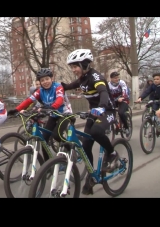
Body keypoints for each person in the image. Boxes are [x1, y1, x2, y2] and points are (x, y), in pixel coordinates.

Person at [61, 48, 119, 196]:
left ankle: (112, 153)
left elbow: (103, 93)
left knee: (96, 132)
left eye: (75, 66)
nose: (73, 69)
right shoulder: (82, 79)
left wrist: (101, 107)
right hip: (94, 113)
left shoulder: (96, 77)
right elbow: (72, 85)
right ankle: (91, 175)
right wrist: (63, 87)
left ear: (85, 64)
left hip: (107, 111)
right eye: (72, 67)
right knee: (85, 146)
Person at [8, 68, 72, 162]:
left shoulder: (58, 87)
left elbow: (59, 99)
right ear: (40, 82)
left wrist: (52, 107)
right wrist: (16, 109)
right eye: (42, 80)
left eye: (47, 79)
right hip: (53, 114)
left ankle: (70, 147)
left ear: (51, 78)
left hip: (64, 114)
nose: (45, 82)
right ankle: (47, 166)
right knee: (44, 139)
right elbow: (29, 100)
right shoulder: (40, 91)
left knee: (56, 135)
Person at [108, 72, 130, 137]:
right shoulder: (108, 85)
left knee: (121, 113)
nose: (117, 79)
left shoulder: (121, 83)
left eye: (118, 77)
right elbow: (107, 94)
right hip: (114, 100)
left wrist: (122, 97)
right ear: (111, 78)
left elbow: (125, 91)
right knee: (108, 111)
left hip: (123, 99)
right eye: (115, 78)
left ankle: (126, 128)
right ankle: (113, 125)